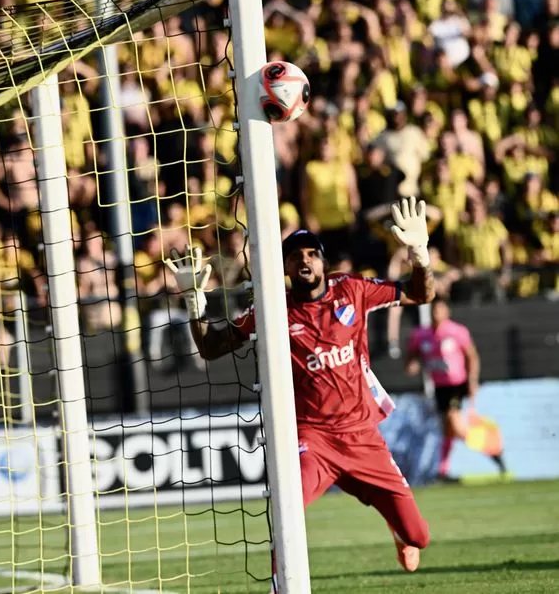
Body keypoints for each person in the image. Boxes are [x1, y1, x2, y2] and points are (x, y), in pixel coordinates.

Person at [165, 197, 435, 585]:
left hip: (362, 438)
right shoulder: (273, 309)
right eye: (295, 256)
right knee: (286, 510)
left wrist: (420, 255)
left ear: (324, 262)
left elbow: (421, 294)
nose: (304, 261)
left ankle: (397, 530)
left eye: (312, 254)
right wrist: (194, 301)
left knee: (419, 536)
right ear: (286, 267)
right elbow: (211, 348)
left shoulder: (353, 290)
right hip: (313, 440)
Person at [405, 297, 507, 481]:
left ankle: (493, 450)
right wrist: (411, 363)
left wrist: (472, 381)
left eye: (440, 309)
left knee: (456, 426)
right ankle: (443, 471)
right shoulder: (421, 334)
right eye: (434, 310)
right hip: (439, 387)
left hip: (456, 384)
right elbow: (412, 354)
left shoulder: (457, 331)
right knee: (448, 431)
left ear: (447, 312)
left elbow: (472, 357)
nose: (437, 313)